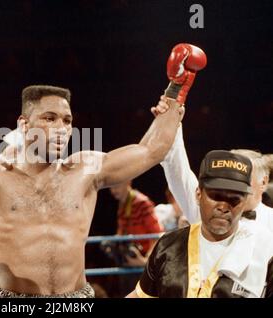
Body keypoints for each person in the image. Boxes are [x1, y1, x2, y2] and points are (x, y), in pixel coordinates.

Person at [0, 1, 205, 297]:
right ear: (24, 125)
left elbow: (151, 150)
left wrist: (178, 88)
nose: (62, 128)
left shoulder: (86, 170)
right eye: (49, 118)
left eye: (67, 120)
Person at [128, 150, 273, 298]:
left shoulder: (266, 250)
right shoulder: (168, 245)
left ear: (244, 201)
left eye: (234, 199)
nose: (223, 207)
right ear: (198, 195)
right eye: (216, 196)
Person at [153, 102, 273, 231]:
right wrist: (171, 124)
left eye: (244, 178)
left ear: (264, 182)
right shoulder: (210, 214)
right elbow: (179, 174)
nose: (235, 186)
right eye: (230, 179)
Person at [107, 180, 163, 296]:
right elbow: (121, 233)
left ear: (128, 182)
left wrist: (145, 262)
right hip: (128, 263)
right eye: (111, 187)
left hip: (142, 266)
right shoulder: (123, 204)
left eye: (116, 186)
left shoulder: (142, 203)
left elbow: (158, 235)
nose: (113, 190)